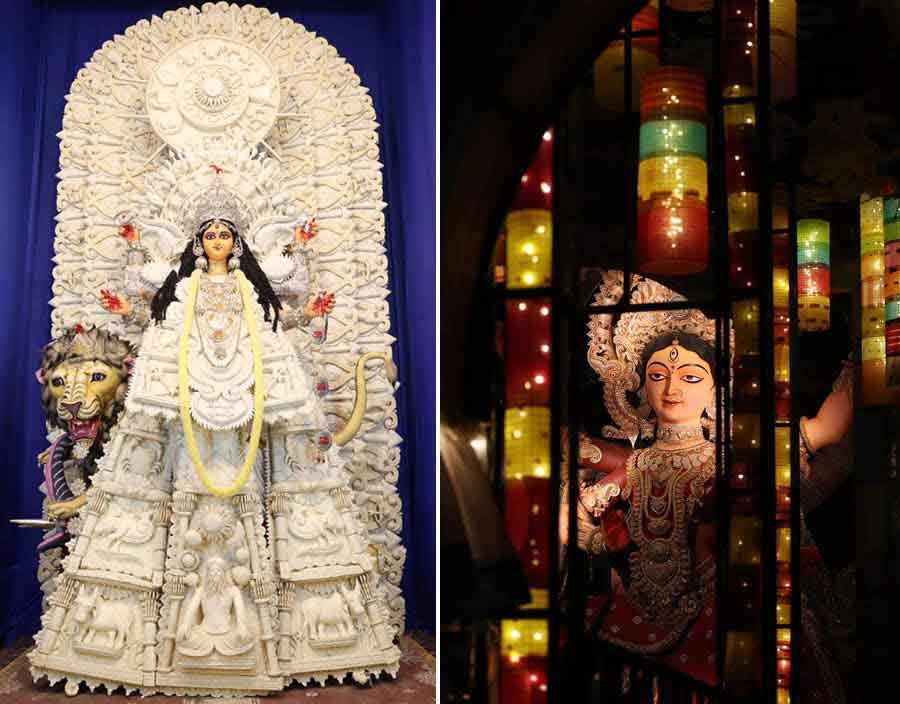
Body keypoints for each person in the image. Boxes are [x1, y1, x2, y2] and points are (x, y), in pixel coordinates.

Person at [28, 181, 400, 695]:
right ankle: (158, 653)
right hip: (188, 408)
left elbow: (266, 337)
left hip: (246, 407)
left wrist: (279, 371)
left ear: (238, 243)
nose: (218, 242)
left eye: (226, 234)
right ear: (198, 244)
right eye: (211, 235)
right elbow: (167, 338)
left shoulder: (250, 291)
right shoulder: (183, 292)